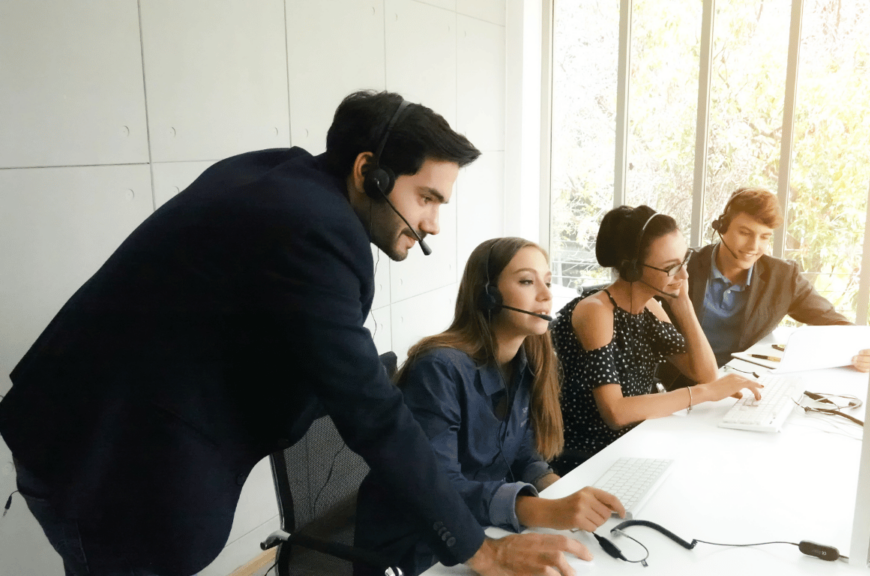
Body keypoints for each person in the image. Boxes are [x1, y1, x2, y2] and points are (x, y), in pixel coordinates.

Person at [0, 91, 586, 576]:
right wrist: (480, 548)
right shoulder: (314, 231)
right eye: (426, 197)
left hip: (104, 432)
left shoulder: (283, 178)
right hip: (103, 458)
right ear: (368, 173)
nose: (433, 222)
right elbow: (371, 413)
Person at [355, 237, 626, 575]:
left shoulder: (528, 363)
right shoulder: (439, 369)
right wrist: (545, 512)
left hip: (484, 532)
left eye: (547, 281)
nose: (545, 294)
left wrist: (567, 499)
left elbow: (525, 457)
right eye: (527, 281)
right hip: (419, 548)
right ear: (488, 295)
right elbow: (438, 487)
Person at [550, 205, 763, 475]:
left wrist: (683, 303)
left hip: (637, 444)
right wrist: (702, 394)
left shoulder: (649, 307)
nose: (684, 275)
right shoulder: (596, 311)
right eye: (670, 268)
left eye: (683, 261)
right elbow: (615, 413)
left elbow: (706, 374)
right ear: (631, 269)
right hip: (592, 459)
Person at [684, 187, 870, 373]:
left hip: (745, 382)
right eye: (745, 233)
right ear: (722, 227)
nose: (754, 246)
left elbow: (836, 324)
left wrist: (864, 354)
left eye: (764, 237)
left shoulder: (783, 277)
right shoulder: (685, 265)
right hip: (683, 381)